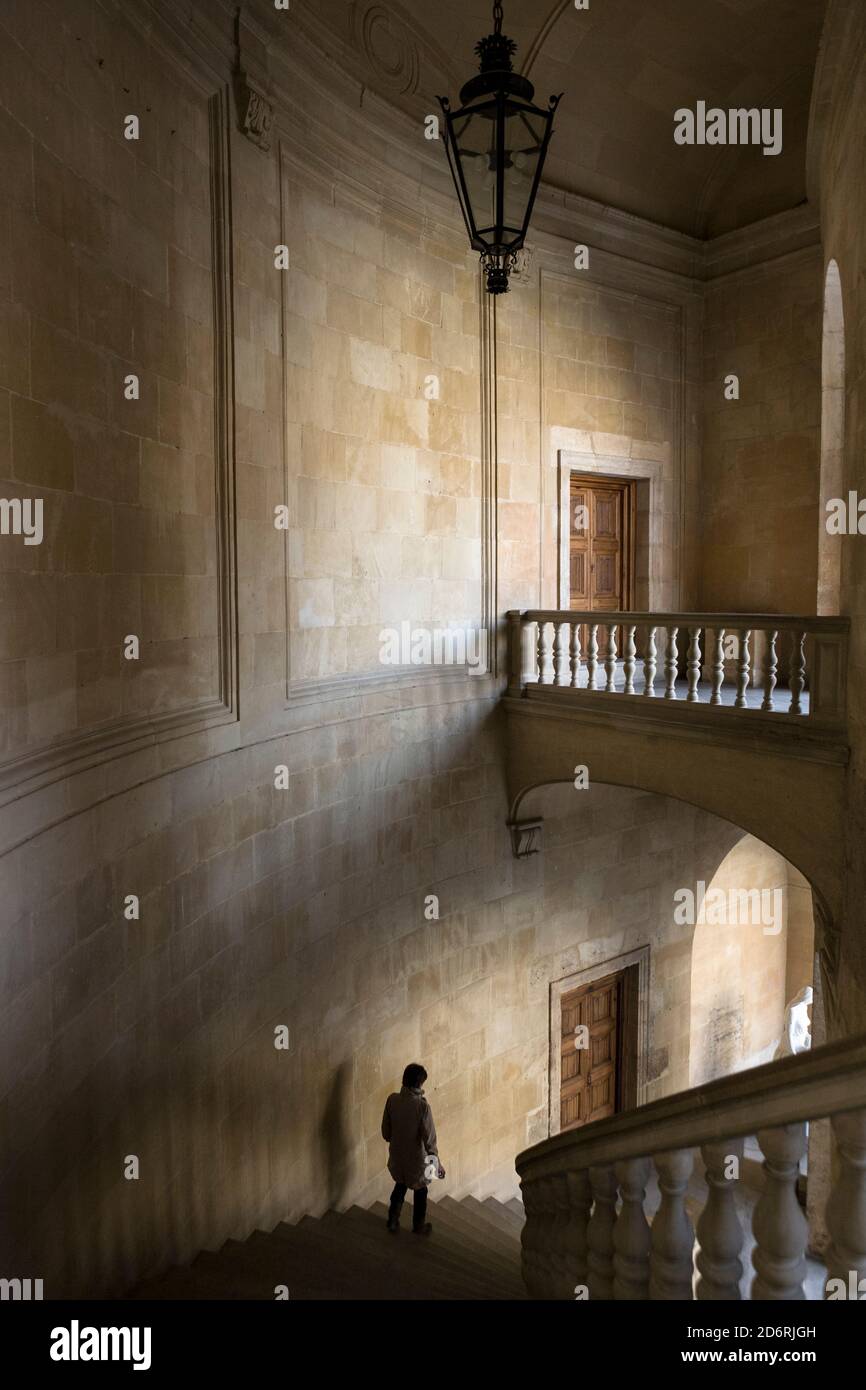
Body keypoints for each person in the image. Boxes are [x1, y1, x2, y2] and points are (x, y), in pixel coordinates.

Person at [381, 1063, 445, 1235]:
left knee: (400, 1185)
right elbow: (430, 1141)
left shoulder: (392, 1099)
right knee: (421, 1190)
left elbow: (386, 1133)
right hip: (417, 1161)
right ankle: (418, 1226)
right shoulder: (422, 1107)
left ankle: (393, 1221)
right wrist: (437, 1165)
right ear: (420, 1084)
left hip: (397, 1156)